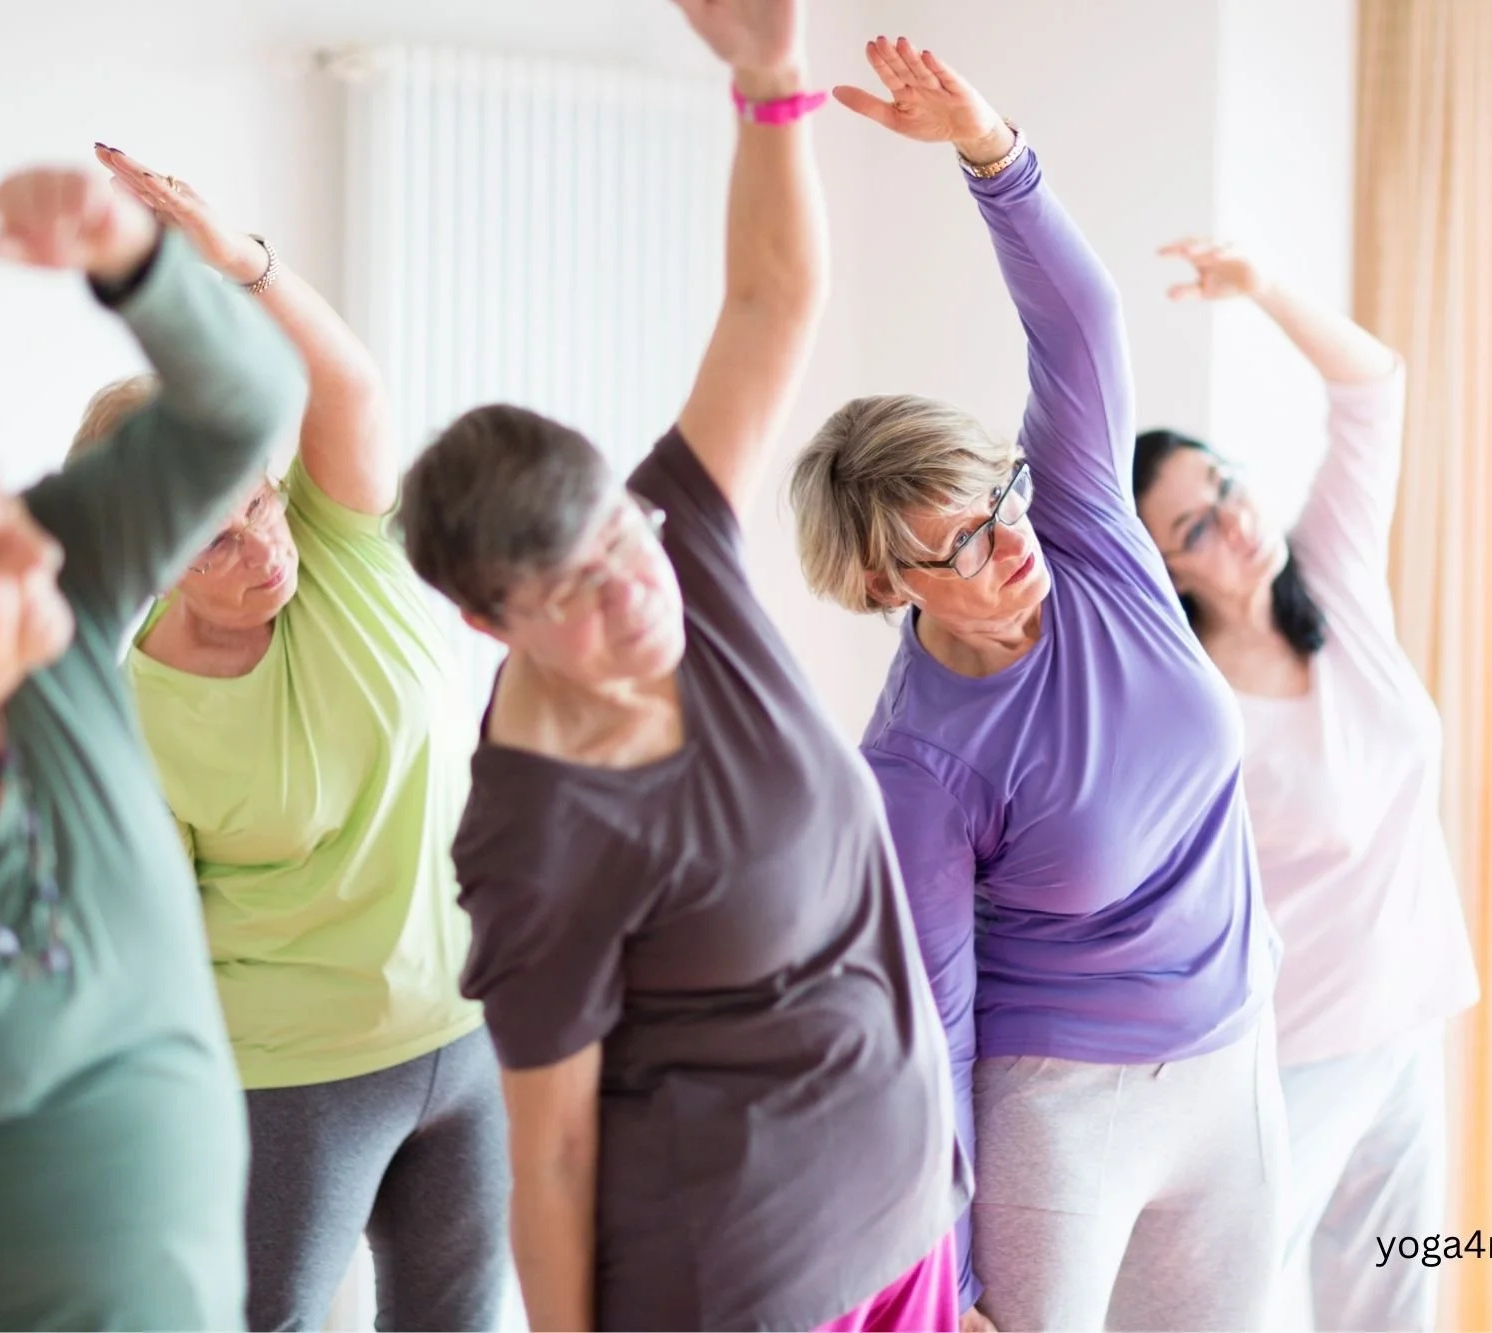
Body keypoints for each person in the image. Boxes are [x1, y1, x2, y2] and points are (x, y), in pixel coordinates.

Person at [396, 2, 963, 1329]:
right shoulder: (537, 833)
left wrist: (773, 84)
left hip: (903, 1218)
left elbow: (775, 298)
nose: (634, 592)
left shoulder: (680, 537)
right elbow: (548, 1153)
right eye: (574, 592)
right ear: (495, 627)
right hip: (743, 1282)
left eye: (618, 536)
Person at [789, 37, 1284, 1332]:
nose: (1007, 537)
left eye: (996, 493)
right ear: (887, 582)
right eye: (957, 538)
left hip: (1234, 1064)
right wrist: (946, 1276)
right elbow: (933, 1019)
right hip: (1062, 1109)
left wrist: (988, 147)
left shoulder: (1084, 534)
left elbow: (1084, 322)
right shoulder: (918, 764)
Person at [0, 167, 303, 1327]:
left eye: (4, 506)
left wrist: (134, 264)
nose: (33, 550)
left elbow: (242, 406)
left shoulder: (64, 600)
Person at [66, 146, 506, 1331]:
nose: (262, 544)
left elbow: (347, 387)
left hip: (472, 1030)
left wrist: (236, 263)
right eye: (214, 537)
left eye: (255, 497)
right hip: (293, 1079)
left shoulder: (340, 550)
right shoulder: (138, 718)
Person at [1129, 239, 1478, 1331]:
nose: (1234, 519)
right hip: (1290, 1056)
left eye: (1224, 484)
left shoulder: (1327, 576)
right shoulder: (1186, 708)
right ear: (1165, 570)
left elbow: (1373, 385)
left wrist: (1262, 290)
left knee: (1389, 1307)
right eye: (1194, 524)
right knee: (1212, 1305)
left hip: (1407, 1022)